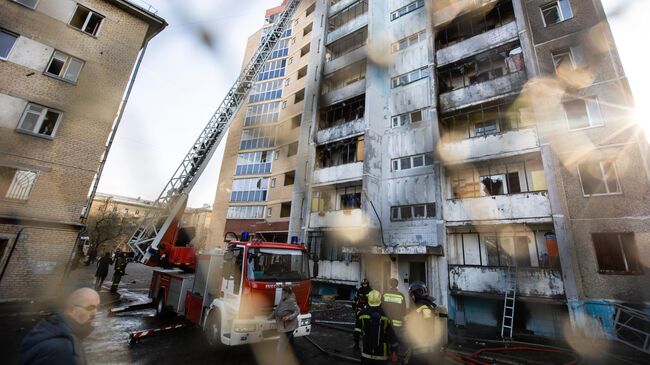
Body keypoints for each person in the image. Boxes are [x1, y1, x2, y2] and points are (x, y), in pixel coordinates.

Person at [19, 287, 100, 365]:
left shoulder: (55, 326)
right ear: (72, 309)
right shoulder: (61, 349)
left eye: (97, 307)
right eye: (90, 308)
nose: (95, 313)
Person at [354, 290, 398, 364]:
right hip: (382, 354)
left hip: (366, 352)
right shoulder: (386, 315)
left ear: (369, 300)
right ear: (380, 300)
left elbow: (357, 331)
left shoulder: (361, 314)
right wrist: (394, 350)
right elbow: (392, 335)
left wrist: (356, 345)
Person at [404, 281, 440, 365]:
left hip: (423, 350)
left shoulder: (424, 308)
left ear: (418, 293)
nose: (411, 297)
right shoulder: (427, 305)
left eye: (411, 294)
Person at [270, 285, 300, 363]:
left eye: (284, 293)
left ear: (287, 293)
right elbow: (277, 309)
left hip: (288, 326)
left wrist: (289, 317)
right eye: (282, 292)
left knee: (281, 344)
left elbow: (297, 311)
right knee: (291, 343)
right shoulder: (283, 299)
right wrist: (270, 316)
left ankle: (278, 360)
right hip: (285, 326)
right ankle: (297, 358)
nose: (282, 294)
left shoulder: (291, 300)